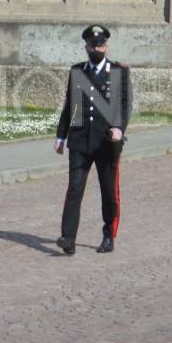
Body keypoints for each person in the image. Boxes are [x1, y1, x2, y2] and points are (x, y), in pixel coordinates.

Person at [55, 24, 131, 256]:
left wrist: (118, 128)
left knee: (108, 191)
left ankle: (108, 234)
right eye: (92, 45)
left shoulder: (117, 71)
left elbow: (124, 105)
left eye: (100, 45)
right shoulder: (77, 71)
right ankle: (68, 238)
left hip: (106, 142)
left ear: (106, 46)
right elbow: (70, 105)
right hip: (79, 140)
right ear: (86, 46)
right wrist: (61, 135)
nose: (96, 48)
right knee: (74, 189)